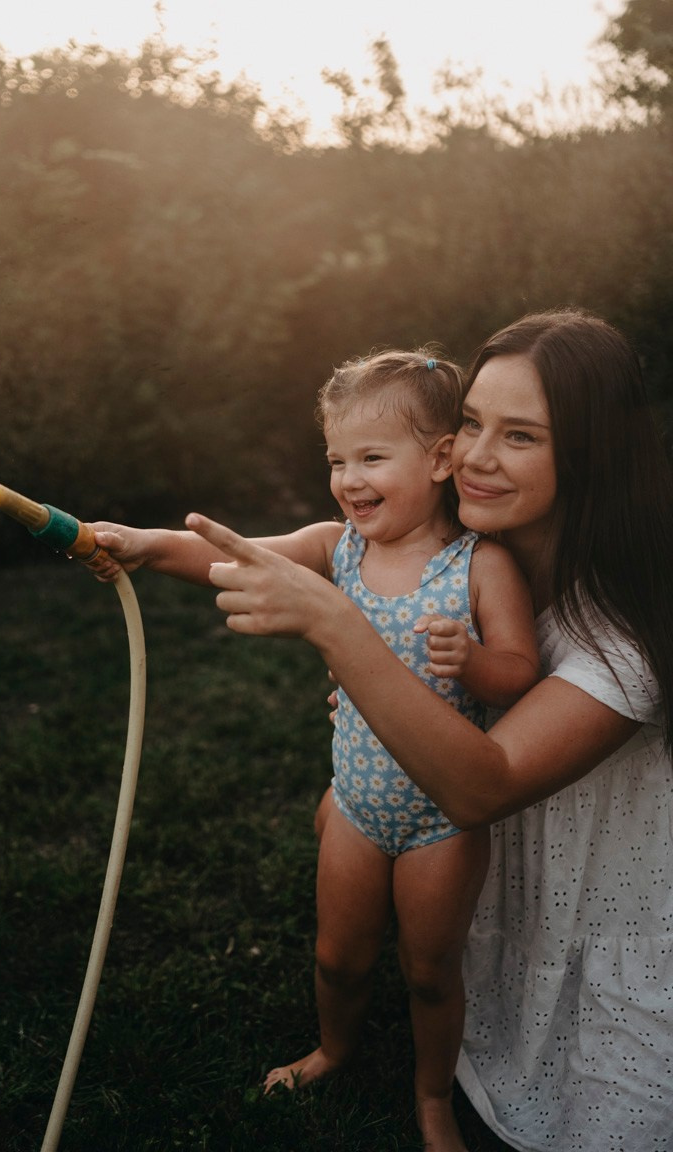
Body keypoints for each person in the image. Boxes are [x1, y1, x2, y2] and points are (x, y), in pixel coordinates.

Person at [176, 309, 673, 1152]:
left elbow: (479, 785)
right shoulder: (487, 558)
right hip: (443, 841)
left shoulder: (624, 637)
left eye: (521, 437)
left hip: (576, 885)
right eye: (472, 422)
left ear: (587, 456)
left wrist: (339, 629)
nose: (473, 455)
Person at [92, 348, 540, 1152]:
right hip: (360, 805)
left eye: (372, 458)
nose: (348, 478)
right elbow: (237, 559)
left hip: (444, 818)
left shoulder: (481, 566)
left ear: (439, 459)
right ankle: (334, 1047)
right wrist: (151, 545)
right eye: (337, 459)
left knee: (431, 971)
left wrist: (473, 663)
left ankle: (432, 1096)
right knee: (339, 955)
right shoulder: (336, 547)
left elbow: (519, 674)